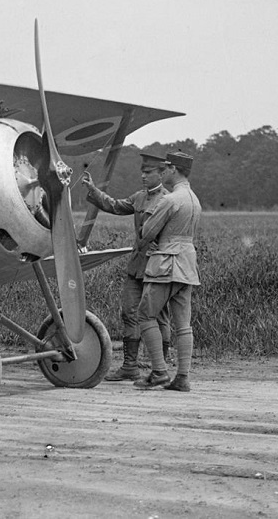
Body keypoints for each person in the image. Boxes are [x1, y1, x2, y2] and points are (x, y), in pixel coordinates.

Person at [80, 152, 172, 381]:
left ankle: (159, 368)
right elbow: (115, 206)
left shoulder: (169, 200)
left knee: (159, 317)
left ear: (161, 174)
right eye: (142, 171)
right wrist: (93, 189)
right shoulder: (139, 198)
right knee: (129, 313)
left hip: (158, 267)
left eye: (149, 172)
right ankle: (130, 366)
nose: (143, 176)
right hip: (136, 267)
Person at [134, 151, 202, 392]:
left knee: (145, 315)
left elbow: (147, 232)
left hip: (165, 264)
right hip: (187, 265)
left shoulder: (171, 199)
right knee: (183, 324)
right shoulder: (194, 199)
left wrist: (147, 234)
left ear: (174, 170)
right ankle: (182, 377)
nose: (163, 172)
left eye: (166, 169)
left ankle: (159, 371)